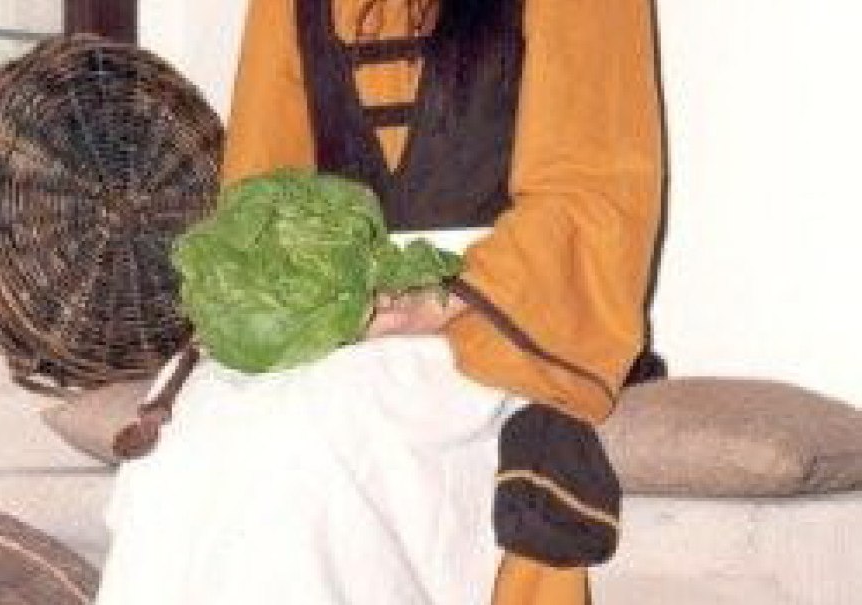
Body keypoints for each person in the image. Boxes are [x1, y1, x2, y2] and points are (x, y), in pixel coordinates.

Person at [97, 0, 663, 603]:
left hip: (494, 319)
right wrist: (268, 302)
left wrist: (437, 299)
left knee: (308, 437)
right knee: (186, 444)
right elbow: (260, 189)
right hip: (331, 316)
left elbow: (592, 190)